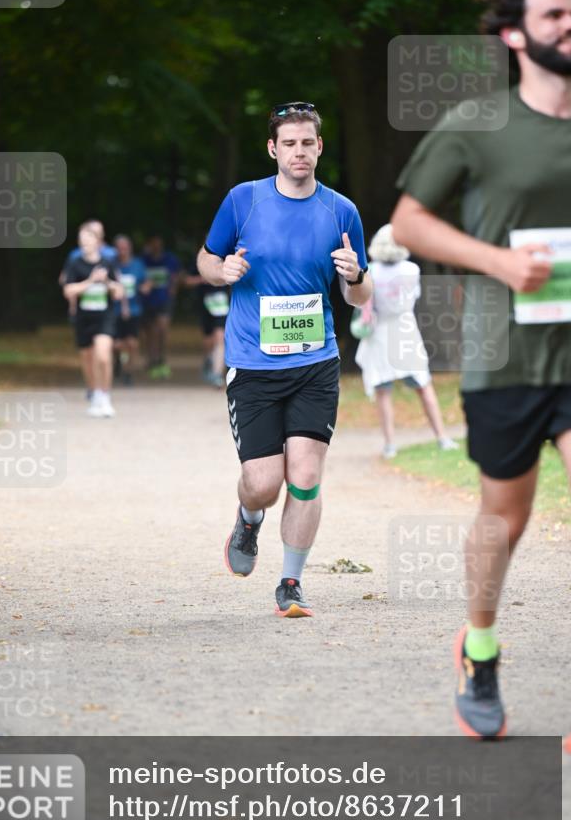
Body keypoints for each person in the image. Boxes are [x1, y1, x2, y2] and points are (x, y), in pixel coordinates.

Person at [391, 0, 571, 752]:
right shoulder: (479, 123)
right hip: (503, 358)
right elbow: (407, 224)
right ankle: (477, 646)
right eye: (553, 15)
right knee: (503, 520)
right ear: (515, 35)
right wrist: (498, 263)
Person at [197, 101, 371, 618]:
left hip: (315, 362)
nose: (300, 152)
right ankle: (249, 518)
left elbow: (359, 297)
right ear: (274, 149)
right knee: (264, 482)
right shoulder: (242, 200)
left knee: (307, 473)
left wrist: (356, 275)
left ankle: (291, 580)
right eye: (289, 143)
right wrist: (221, 271)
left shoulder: (342, 211)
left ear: (320, 147)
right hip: (253, 363)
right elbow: (206, 258)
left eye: (308, 143)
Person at [354, 224, 459, 458]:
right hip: (405, 329)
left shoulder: (370, 271)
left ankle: (390, 444)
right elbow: (415, 297)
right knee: (424, 385)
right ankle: (442, 437)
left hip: (379, 332)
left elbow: (365, 303)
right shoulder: (412, 269)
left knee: (383, 390)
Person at [63, 223, 124, 417]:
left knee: (103, 355)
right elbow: (68, 290)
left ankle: (105, 395)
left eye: (88, 240)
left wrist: (106, 281)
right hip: (83, 318)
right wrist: (90, 281)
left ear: (98, 242)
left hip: (104, 317)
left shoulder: (109, 262)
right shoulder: (75, 263)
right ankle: (94, 392)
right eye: (82, 241)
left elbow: (119, 292)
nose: (85, 244)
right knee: (88, 360)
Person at [183, 262, 230, 388]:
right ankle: (209, 360)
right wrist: (203, 279)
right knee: (209, 341)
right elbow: (186, 281)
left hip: (221, 302)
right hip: (205, 303)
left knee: (220, 337)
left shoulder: (228, 258)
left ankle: (217, 375)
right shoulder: (201, 260)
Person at [140, 236, 181, 379]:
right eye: (153, 244)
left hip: (164, 300)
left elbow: (176, 275)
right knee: (150, 333)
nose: (156, 247)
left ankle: (161, 358)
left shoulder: (170, 259)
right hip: (148, 301)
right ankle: (152, 360)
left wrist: (173, 288)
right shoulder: (144, 259)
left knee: (162, 329)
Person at [112, 235, 150, 384]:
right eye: (119, 248)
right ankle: (117, 360)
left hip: (134, 310)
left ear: (130, 249)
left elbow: (146, 282)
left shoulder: (137, 265)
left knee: (132, 343)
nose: (122, 251)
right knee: (116, 344)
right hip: (114, 310)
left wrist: (145, 287)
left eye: (125, 248)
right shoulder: (111, 265)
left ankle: (128, 372)